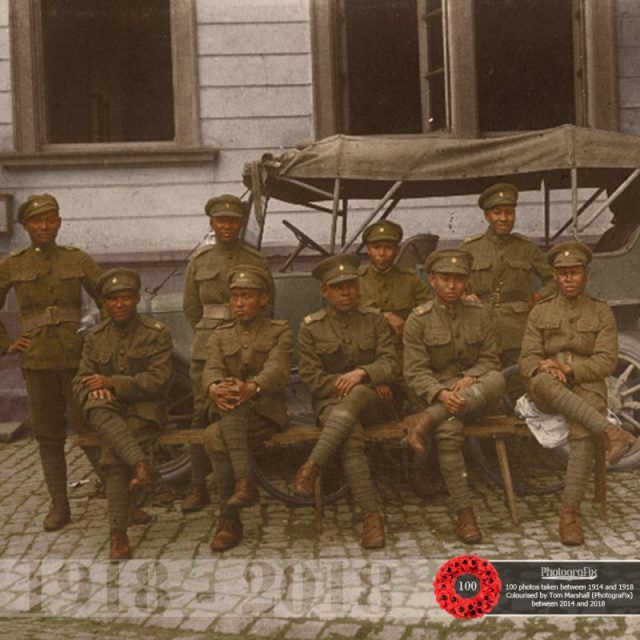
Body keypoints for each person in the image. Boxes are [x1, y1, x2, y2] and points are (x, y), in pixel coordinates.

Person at [518, 241, 636, 546]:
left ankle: (569, 515)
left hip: (586, 384)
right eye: (562, 273)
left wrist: (568, 367)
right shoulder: (541, 311)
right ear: (554, 277)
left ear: (586, 275)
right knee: (542, 380)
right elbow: (528, 358)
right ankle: (612, 432)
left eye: (575, 272)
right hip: (547, 386)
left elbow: (607, 360)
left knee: (582, 431)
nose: (568, 278)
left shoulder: (600, 311)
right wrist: (547, 369)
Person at [0, 194, 102, 531]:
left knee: (91, 427)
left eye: (51, 219)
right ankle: (60, 505)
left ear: (59, 221)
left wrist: (99, 342)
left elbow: (113, 298)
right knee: (48, 436)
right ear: (26, 226)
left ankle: (119, 496)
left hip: (78, 360)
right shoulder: (13, 264)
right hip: (38, 361)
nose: (45, 226)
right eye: (37, 221)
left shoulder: (77, 259)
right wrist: (7, 344)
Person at [292, 254, 400, 549]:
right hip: (330, 404)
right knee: (351, 439)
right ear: (325, 291)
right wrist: (346, 383)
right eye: (338, 287)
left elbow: (392, 363)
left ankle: (311, 466)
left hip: (377, 404)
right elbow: (313, 380)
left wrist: (363, 373)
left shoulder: (374, 320)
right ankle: (371, 518)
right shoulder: (312, 327)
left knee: (361, 390)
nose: (346, 292)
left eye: (351, 285)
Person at [402, 249, 506, 543]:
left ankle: (424, 421)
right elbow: (414, 371)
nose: (452, 285)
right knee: (448, 430)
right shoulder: (418, 320)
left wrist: (470, 376)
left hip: (474, 395)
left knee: (497, 380)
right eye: (445, 279)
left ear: (467, 282)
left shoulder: (479, 314)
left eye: (458, 279)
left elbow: (490, 361)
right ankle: (465, 513)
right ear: (432, 280)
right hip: (436, 394)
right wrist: (439, 393)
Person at [182, 194, 274, 514]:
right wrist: (212, 333)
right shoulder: (200, 260)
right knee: (201, 412)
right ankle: (197, 485)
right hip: (209, 342)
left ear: (241, 224)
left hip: (249, 341)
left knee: (242, 406)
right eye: (221, 220)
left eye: (233, 221)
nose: (226, 226)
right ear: (211, 223)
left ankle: (241, 480)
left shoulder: (255, 259)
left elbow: (268, 303)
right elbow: (191, 308)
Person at [73, 268, 173, 560]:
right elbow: (80, 379)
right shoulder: (95, 338)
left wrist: (112, 384)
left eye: (126, 298)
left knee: (112, 454)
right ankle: (141, 465)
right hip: (106, 410)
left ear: (137, 299)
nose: (119, 305)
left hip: (145, 412)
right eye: (113, 299)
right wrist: (93, 390)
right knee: (97, 406)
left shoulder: (156, 334)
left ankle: (118, 534)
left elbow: (159, 380)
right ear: (104, 303)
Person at [202, 265, 293, 551]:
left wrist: (250, 388)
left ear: (263, 299)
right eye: (235, 297)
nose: (239, 304)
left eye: (247, 297)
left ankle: (229, 519)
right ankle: (241, 493)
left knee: (218, 432)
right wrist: (215, 387)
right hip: (233, 410)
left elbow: (278, 369)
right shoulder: (220, 334)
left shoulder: (280, 330)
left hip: (266, 411)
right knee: (214, 435)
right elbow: (211, 368)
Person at [460, 183, 555, 368]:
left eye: (509, 213)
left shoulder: (526, 248)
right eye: (497, 213)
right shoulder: (470, 248)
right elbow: (451, 281)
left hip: (517, 329)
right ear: (487, 216)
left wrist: (539, 297)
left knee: (519, 381)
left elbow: (553, 279)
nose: (504, 218)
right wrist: (464, 296)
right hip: (480, 326)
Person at [358, 220, 431, 338]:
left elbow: (429, 309)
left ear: (397, 250)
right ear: (368, 250)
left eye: (388, 248)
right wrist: (384, 316)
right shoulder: (356, 280)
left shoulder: (410, 280)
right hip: (368, 346)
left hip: (402, 346)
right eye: (376, 247)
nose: (382, 253)